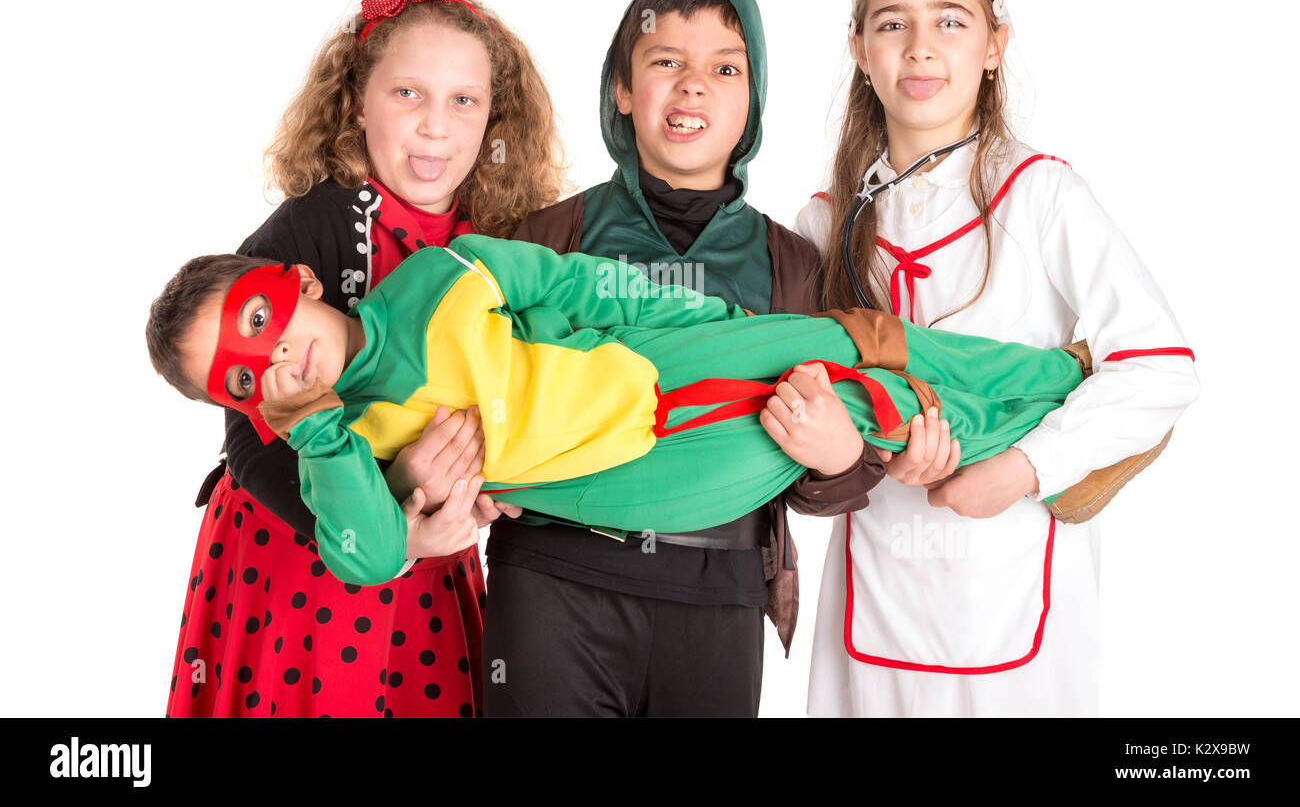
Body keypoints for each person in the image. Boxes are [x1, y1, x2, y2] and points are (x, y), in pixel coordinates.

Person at [147, 235, 1095, 587]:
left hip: (653, 361)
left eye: (260, 318)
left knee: (853, 339)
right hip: (631, 475)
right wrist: (315, 427)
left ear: (301, 279)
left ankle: (1062, 383)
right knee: (847, 404)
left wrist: (700, 316)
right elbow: (368, 556)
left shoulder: (439, 278)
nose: (271, 355)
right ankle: (1051, 447)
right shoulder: (338, 445)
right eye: (242, 376)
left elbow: (579, 283)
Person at [795, 0, 1200, 716]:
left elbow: (1162, 367)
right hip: (872, 600)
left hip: (1014, 589)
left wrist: (1023, 467)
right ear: (858, 48)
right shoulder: (824, 221)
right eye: (891, 23)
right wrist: (855, 454)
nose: (920, 48)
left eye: (950, 21)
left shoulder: (1041, 195)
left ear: (993, 44)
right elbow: (788, 394)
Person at [163, 0, 567, 717]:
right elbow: (248, 443)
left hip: (427, 556)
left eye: (464, 101)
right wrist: (384, 506)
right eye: (407, 93)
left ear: (495, 119)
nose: (434, 126)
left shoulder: (501, 237)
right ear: (355, 104)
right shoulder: (312, 227)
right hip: (295, 554)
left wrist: (492, 491)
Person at [486, 0, 881, 717]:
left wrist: (838, 458)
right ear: (623, 88)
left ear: (752, 101)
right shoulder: (547, 238)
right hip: (552, 573)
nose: (693, 85)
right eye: (666, 61)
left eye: (725, 68)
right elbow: (480, 386)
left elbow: (830, 455)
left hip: (720, 590)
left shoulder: (793, 265)